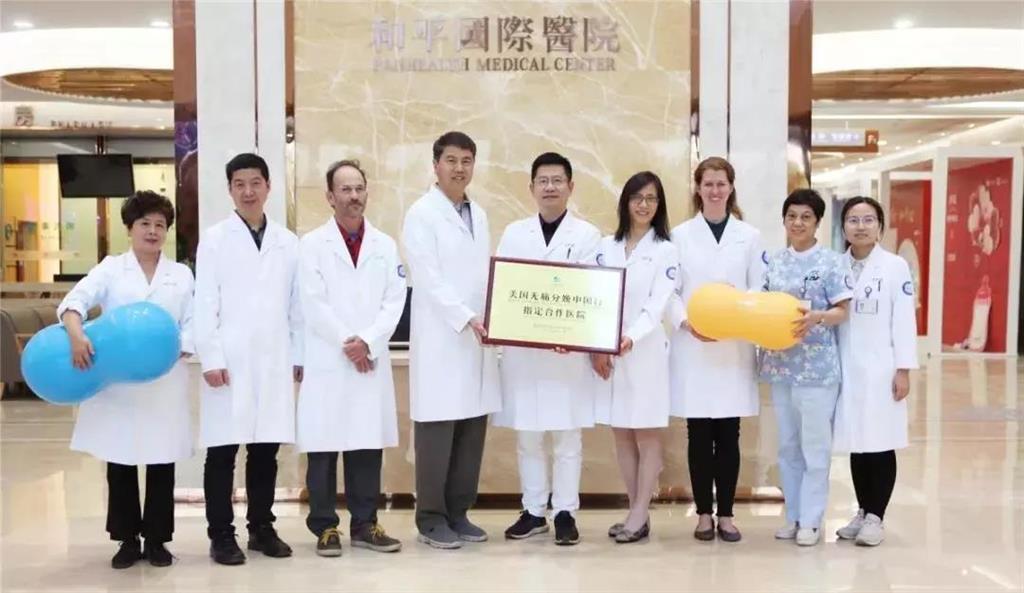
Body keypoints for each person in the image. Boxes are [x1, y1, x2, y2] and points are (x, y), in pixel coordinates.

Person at [57, 190, 193, 569]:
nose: (152, 231)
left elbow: (193, 321)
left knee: (162, 460)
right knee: (121, 461)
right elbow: (74, 303)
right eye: (144, 223)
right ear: (129, 228)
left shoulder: (181, 274)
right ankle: (127, 540)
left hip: (164, 380)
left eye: (160, 225)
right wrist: (76, 335)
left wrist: (179, 348)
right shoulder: (111, 269)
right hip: (119, 384)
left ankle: (158, 540)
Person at [194, 153, 304, 565]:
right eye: (239, 184)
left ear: (268, 187)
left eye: (255, 183)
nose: (248, 191)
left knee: (264, 451)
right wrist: (211, 357)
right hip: (229, 360)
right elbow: (205, 302)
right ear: (230, 190)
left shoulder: (287, 242)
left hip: (273, 358)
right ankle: (221, 534)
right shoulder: (215, 239)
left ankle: (261, 528)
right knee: (222, 453)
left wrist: (299, 355)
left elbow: (296, 306)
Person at [296, 160, 406, 556]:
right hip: (330, 357)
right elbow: (313, 303)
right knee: (323, 448)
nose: (353, 196)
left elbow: (395, 300)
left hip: (368, 360)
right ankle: (325, 527)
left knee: (366, 444)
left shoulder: (385, 245)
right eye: (345, 189)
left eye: (359, 188)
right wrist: (350, 342)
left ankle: (365, 523)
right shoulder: (312, 245)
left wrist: (369, 342)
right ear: (330, 196)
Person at [494, 152, 601, 546]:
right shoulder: (514, 233)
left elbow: (592, 293)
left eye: (558, 180)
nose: (550, 187)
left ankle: (566, 512)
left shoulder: (588, 236)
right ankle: (534, 510)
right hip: (524, 354)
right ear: (532, 188)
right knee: (528, 435)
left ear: (570, 187)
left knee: (567, 435)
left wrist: (571, 333)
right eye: (543, 181)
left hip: (566, 354)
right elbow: (504, 289)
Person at [400, 131, 501, 549]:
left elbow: (486, 273)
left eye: (466, 161)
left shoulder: (479, 214)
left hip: (477, 339)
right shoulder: (421, 214)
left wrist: (493, 314)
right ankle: (430, 518)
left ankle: (459, 512)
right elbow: (427, 278)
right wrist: (466, 316)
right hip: (443, 337)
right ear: (436, 165)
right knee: (437, 430)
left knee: (471, 428)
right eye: (451, 160)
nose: (459, 168)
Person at [666, 157, 765, 543]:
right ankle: (703, 515)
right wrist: (687, 323)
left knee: (728, 434)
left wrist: (736, 314)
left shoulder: (749, 236)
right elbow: (669, 291)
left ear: (731, 187)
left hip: (733, 347)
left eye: (721, 184)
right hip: (694, 346)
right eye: (708, 184)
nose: (715, 190)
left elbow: (759, 286)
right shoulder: (679, 236)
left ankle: (726, 514)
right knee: (698, 434)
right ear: (698, 188)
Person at [761, 188, 852, 546]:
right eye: (792, 216)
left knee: (815, 448)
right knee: (788, 447)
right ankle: (794, 516)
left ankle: (812, 521)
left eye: (806, 217)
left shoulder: (832, 262)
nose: (797, 223)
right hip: (781, 366)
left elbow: (843, 311)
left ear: (817, 222)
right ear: (784, 220)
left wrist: (818, 317)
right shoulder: (774, 261)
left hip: (817, 370)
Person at [591, 171, 678, 544]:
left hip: (644, 351)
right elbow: (592, 297)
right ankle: (634, 511)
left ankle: (641, 512)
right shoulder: (604, 247)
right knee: (622, 432)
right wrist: (597, 346)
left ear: (659, 205)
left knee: (646, 432)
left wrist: (629, 337)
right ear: (625, 202)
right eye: (637, 197)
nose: (644, 205)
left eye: (651, 199)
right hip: (610, 352)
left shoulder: (665, 250)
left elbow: (658, 303)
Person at [834, 196, 918, 546]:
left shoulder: (894, 267)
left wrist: (903, 369)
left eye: (868, 220)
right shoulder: (836, 265)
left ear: (880, 227)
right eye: (853, 220)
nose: (861, 226)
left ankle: (876, 517)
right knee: (858, 443)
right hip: (847, 367)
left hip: (882, 367)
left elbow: (904, 320)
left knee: (880, 442)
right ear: (843, 227)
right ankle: (862, 510)